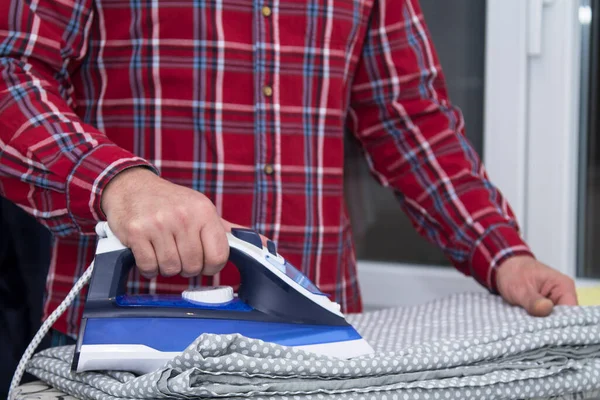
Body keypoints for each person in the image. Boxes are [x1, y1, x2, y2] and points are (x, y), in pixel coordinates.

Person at [0, 0, 577, 354]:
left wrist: (503, 253)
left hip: (319, 335)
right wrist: (118, 183)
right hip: (132, 340)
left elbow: (410, 120)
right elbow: (10, 70)